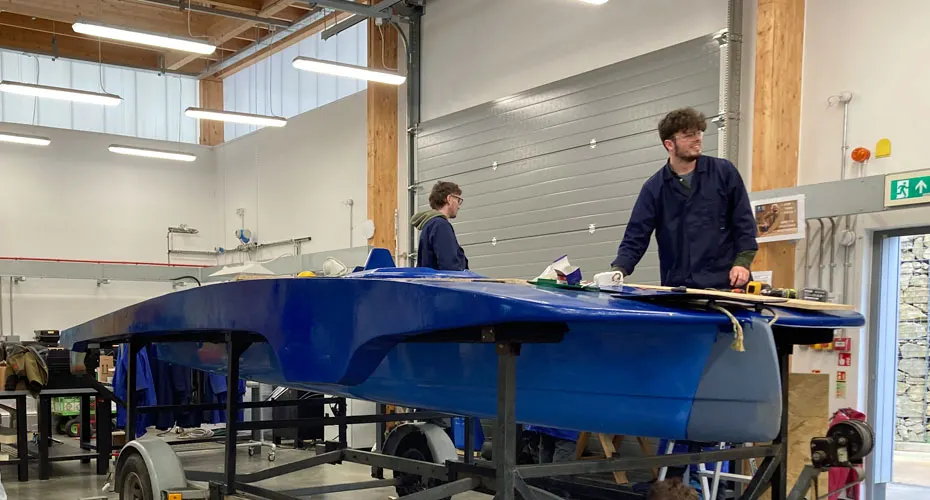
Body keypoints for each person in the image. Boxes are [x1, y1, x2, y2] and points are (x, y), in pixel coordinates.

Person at [611, 107, 758, 289]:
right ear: (669, 145)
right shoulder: (654, 188)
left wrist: (742, 262)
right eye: (688, 135)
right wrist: (618, 270)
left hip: (726, 284)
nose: (697, 139)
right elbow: (636, 236)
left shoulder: (724, 172)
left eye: (699, 133)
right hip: (681, 289)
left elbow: (743, 221)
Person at [410, 181, 469, 271]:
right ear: (449, 199)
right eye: (458, 200)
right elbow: (450, 266)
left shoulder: (430, 225)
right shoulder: (441, 226)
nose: (459, 206)